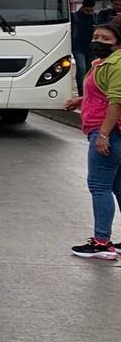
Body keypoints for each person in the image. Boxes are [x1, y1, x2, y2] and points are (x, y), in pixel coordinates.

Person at [64, 20, 121, 259]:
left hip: (107, 132)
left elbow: (116, 102)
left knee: (99, 186)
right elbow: (101, 92)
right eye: (96, 36)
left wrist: (104, 135)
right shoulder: (103, 63)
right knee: (118, 187)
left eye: (105, 39)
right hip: (103, 130)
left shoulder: (117, 64)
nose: (98, 41)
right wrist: (81, 100)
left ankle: (101, 242)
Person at [73, 0, 99, 95]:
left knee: (90, 71)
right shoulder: (75, 17)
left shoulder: (95, 17)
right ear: (82, 7)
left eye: (91, 10)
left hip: (91, 48)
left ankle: (88, 92)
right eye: (87, 10)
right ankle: (81, 93)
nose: (89, 12)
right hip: (78, 47)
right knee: (81, 68)